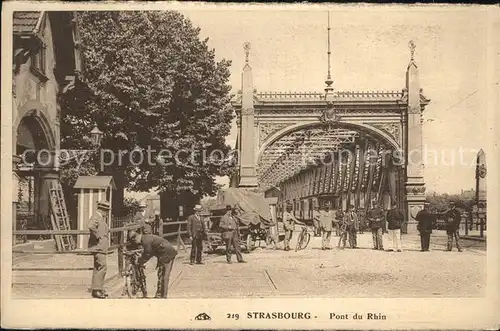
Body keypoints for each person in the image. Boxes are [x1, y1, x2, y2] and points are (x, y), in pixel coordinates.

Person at [128, 230, 178, 298]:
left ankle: (163, 296)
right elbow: (150, 252)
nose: (137, 243)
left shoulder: (145, 241)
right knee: (161, 275)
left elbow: (148, 253)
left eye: (135, 242)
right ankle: (160, 294)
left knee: (164, 276)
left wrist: (140, 261)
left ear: (136, 238)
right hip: (164, 253)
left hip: (166, 254)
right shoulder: (145, 238)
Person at [88, 201, 110, 299]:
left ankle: (97, 288)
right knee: (102, 267)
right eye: (106, 211)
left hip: (100, 247)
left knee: (98, 268)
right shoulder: (96, 217)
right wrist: (98, 237)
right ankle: (97, 290)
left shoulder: (100, 218)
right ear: (102, 210)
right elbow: (91, 226)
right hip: (99, 247)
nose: (107, 213)